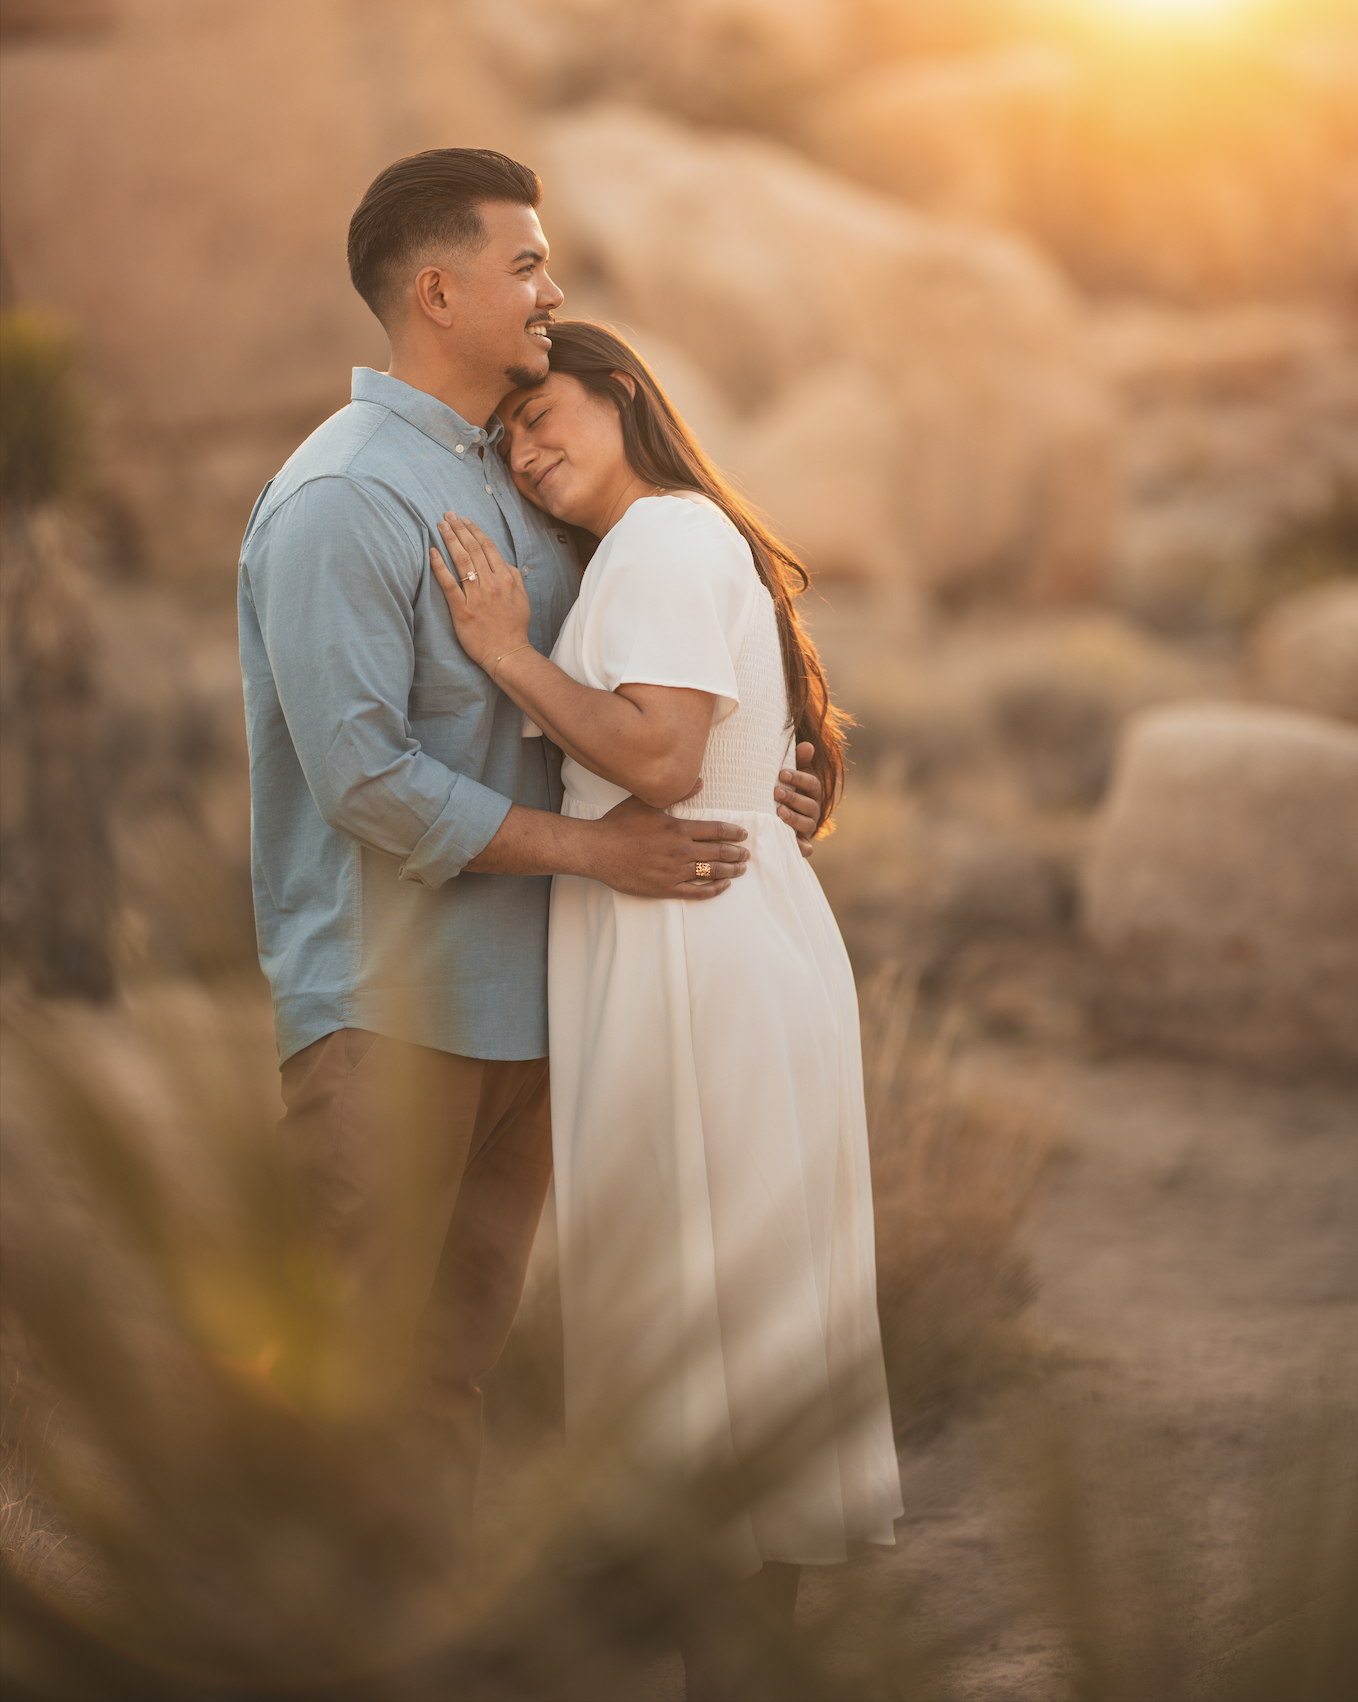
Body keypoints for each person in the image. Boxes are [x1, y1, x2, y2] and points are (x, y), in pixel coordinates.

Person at [237, 150, 823, 1520]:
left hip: (537, 1015)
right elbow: (365, 777)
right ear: (437, 290)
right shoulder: (341, 500)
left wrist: (757, 776)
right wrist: (603, 855)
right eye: (526, 264)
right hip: (392, 1012)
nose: (552, 288)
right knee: (342, 1378)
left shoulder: (524, 482)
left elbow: (638, 697)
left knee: (445, 1380)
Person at [429, 320, 903, 1683]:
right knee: (728, 1339)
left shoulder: (664, 541)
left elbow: (658, 752)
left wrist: (509, 654)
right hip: (711, 943)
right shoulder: (667, 541)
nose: (527, 452)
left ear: (621, 393)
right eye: (508, 438)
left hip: (696, 957)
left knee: (713, 1338)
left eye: (544, 413)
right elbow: (737, 752)